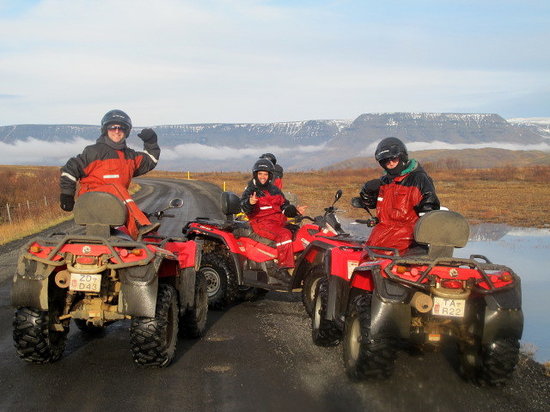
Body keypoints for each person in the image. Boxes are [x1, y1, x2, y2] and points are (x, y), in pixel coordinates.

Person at [59, 109, 160, 239]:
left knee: (116, 188)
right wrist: (67, 194)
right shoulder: (93, 152)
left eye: (121, 127)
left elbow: (150, 161)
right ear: (106, 129)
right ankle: (138, 224)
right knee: (114, 187)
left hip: (115, 205)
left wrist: (151, 142)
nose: (117, 131)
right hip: (91, 200)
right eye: (112, 127)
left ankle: (136, 229)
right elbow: (70, 168)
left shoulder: (130, 156)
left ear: (126, 131)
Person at [359, 137, 440, 254]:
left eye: (393, 158)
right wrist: (367, 190)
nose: (390, 163)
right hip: (380, 234)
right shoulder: (385, 180)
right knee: (362, 262)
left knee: (379, 267)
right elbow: (371, 204)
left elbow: (429, 210)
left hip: (406, 238)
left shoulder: (418, 179)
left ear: (402, 156)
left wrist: (422, 239)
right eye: (386, 160)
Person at [240, 158, 304, 282]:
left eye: (265, 174)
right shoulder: (251, 190)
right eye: (260, 174)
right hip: (261, 224)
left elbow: (284, 206)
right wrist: (250, 202)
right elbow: (244, 207)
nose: (263, 177)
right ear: (255, 174)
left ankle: (298, 264)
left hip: (277, 222)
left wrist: (295, 211)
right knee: (284, 235)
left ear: (270, 175)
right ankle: (283, 269)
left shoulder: (275, 190)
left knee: (298, 232)